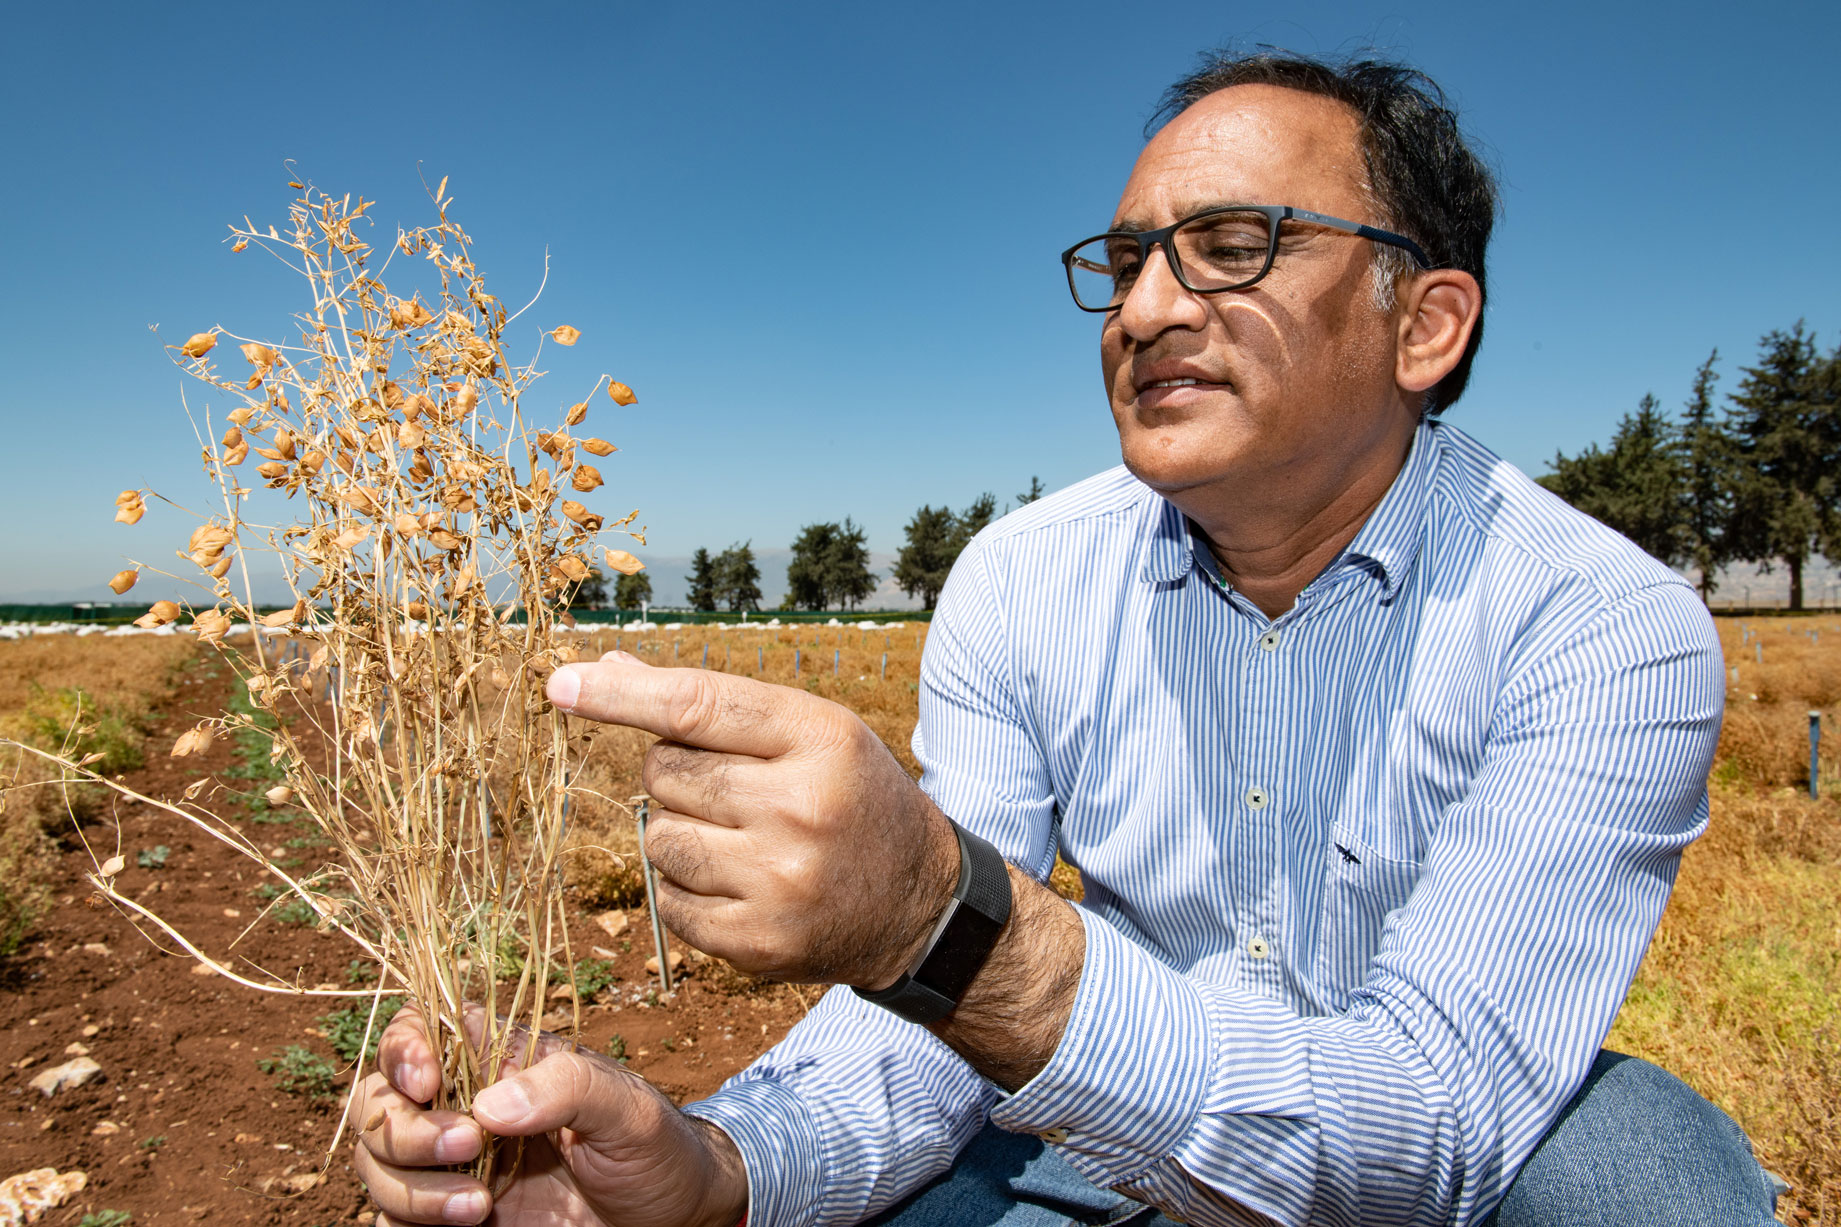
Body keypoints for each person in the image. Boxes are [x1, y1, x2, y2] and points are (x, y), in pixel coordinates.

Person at [352, 51, 1780, 1227]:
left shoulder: (1599, 623)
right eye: (1126, 259)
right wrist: (708, 1171)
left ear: (1425, 324)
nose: (1146, 309)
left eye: (1234, 247)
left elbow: (1437, 1125)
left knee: (1640, 1175)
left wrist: (944, 921)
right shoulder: (1024, 581)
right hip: (1099, 1126)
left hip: (1404, 1169)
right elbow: (922, 1032)